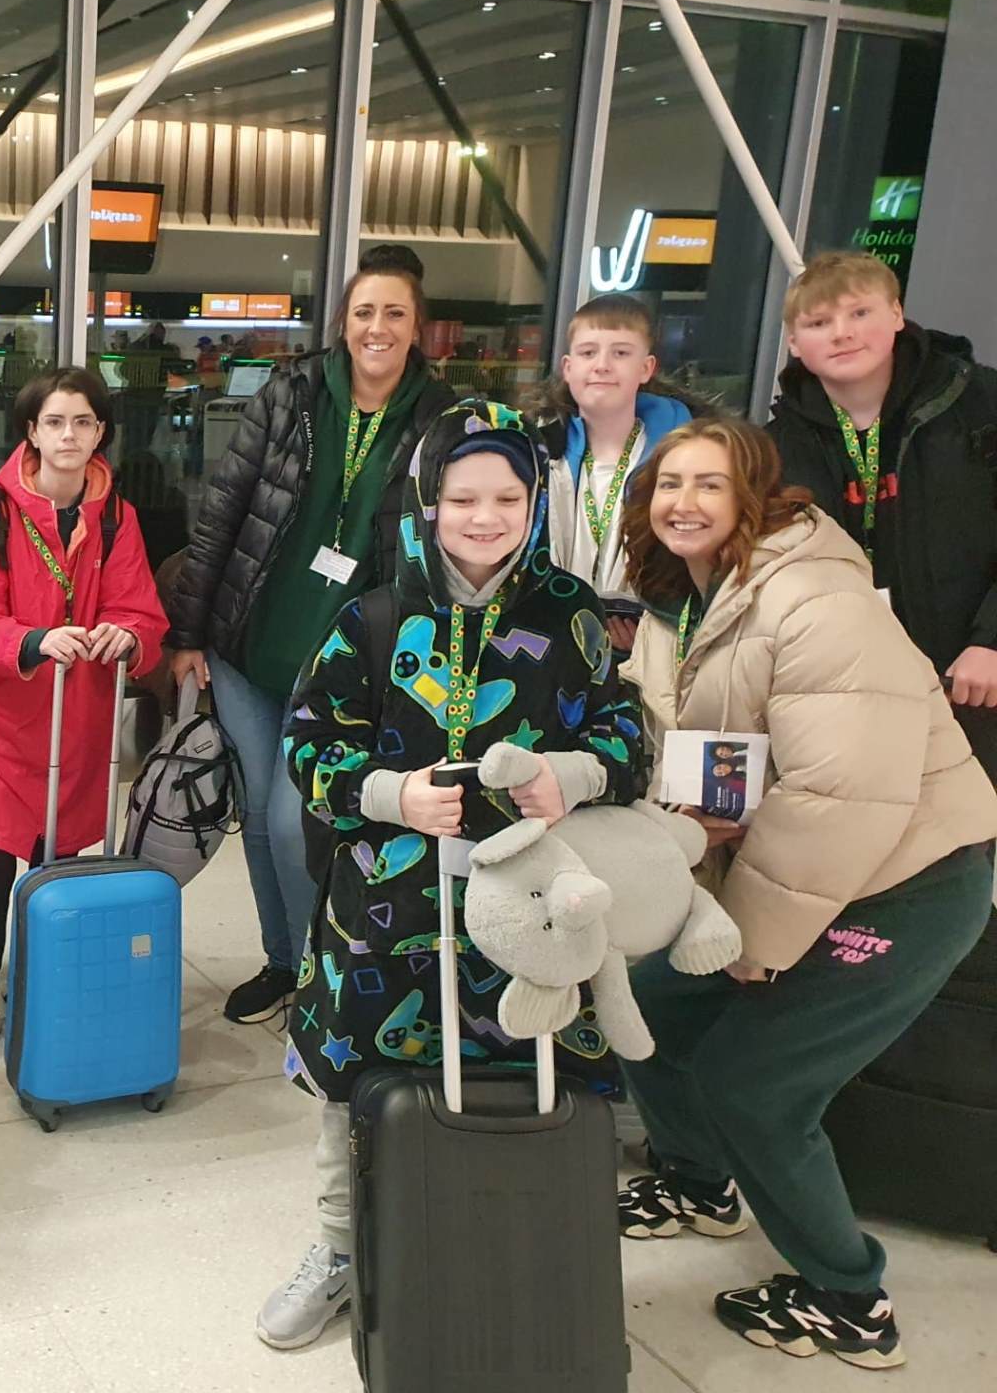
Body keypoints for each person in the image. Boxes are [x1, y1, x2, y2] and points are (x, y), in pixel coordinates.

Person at [257, 399, 648, 1351]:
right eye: (464, 497)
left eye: (507, 497)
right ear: (429, 501)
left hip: (530, 914)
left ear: (534, 502)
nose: (485, 517)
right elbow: (308, 743)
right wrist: (390, 794)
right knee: (357, 1087)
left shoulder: (572, 615)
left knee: (535, 1075)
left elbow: (626, 734)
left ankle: (524, 1242)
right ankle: (340, 1245)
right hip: (385, 916)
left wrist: (576, 773)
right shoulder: (373, 617)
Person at [613, 416, 996, 1371]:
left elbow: (841, 799)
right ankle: (699, 1183)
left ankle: (848, 1297)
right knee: (648, 1005)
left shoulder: (814, 598)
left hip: (902, 884)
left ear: (754, 497)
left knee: (756, 1086)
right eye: (668, 485)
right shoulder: (687, 602)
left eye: (709, 484)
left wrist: (751, 944)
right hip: (796, 873)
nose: (684, 503)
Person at [164, 244, 456, 1024]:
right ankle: (283, 962)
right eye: (364, 312)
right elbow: (222, 512)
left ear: (417, 327)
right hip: (250, 644)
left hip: (346, 666)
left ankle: (323, 972)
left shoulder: (441, 417)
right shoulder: (290, 393)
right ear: (343, 322)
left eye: (394, 313)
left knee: (300, 822)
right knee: (262, 815)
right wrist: (188, 632)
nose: (377, 327)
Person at [0, 367, 168, 1070]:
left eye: (83, 422)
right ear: (31, 432)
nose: (69, 435)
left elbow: (139, 608)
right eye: (55, 422)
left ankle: (48, 987)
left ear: (100, 433)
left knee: (57, 861)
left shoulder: (117, 517)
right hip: (3, 718)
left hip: (78, 719)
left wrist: (127, 633)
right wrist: (32, 641)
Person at [767, 250, 997, 778]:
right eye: (819, 323)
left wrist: (992, 641)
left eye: (859, 313)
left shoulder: (979, 403)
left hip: (971, 678)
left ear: (897, 314)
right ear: (795, 343)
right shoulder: (776, 445)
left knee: (965, 824)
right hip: (846, 686)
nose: (842, 333)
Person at [533, 293, 704, 650]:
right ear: (568, 368)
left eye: (621, 353)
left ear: (646, 368)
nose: (602, 365)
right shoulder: (538, 454)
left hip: (649, 653)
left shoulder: (687, 462)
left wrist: (651, 636)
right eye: (588, 353)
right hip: (550, 642)